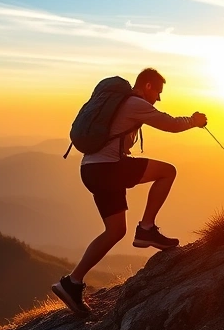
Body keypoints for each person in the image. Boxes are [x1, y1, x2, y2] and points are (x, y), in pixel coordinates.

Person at [52, 68, 207, 316]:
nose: (158, 98)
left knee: (115, 231)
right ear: (147, 86)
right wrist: (193, 121)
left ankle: (71, 283)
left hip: (91, 170)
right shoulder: (134, 103)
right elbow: (169, 124)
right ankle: (146, 229)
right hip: (109, 168)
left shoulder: (118, 103)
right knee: (168, 172)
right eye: (157, 92)